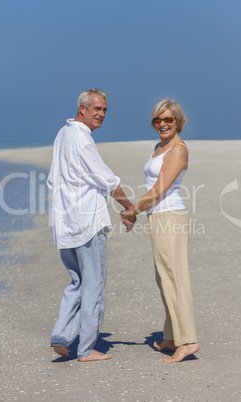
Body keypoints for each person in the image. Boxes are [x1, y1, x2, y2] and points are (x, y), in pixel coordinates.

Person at [47, 88, 135, 362]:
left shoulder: (63, 134)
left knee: (77, 281)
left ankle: (62, 335)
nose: (102, 114)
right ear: (82, 109)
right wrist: (129, 207)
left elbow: (52, 181)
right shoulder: (81, 139)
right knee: (93, 284)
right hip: (87, 223)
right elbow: (107, 179)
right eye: (97, 109)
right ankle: (85, 349)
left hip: (65, 222)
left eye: (105, 110)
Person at [121, 98, 199, 363]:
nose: (163, 124)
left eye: (168, 119)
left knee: (175, 278)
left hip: (170, 216)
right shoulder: (159, 147)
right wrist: (138, 211)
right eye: (158, 120)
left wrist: (132, 210)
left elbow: (158, 190)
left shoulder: (178, 150)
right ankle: (172, 336)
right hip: (158, 216)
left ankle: (188, 341)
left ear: (178, 121)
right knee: (163, 278)